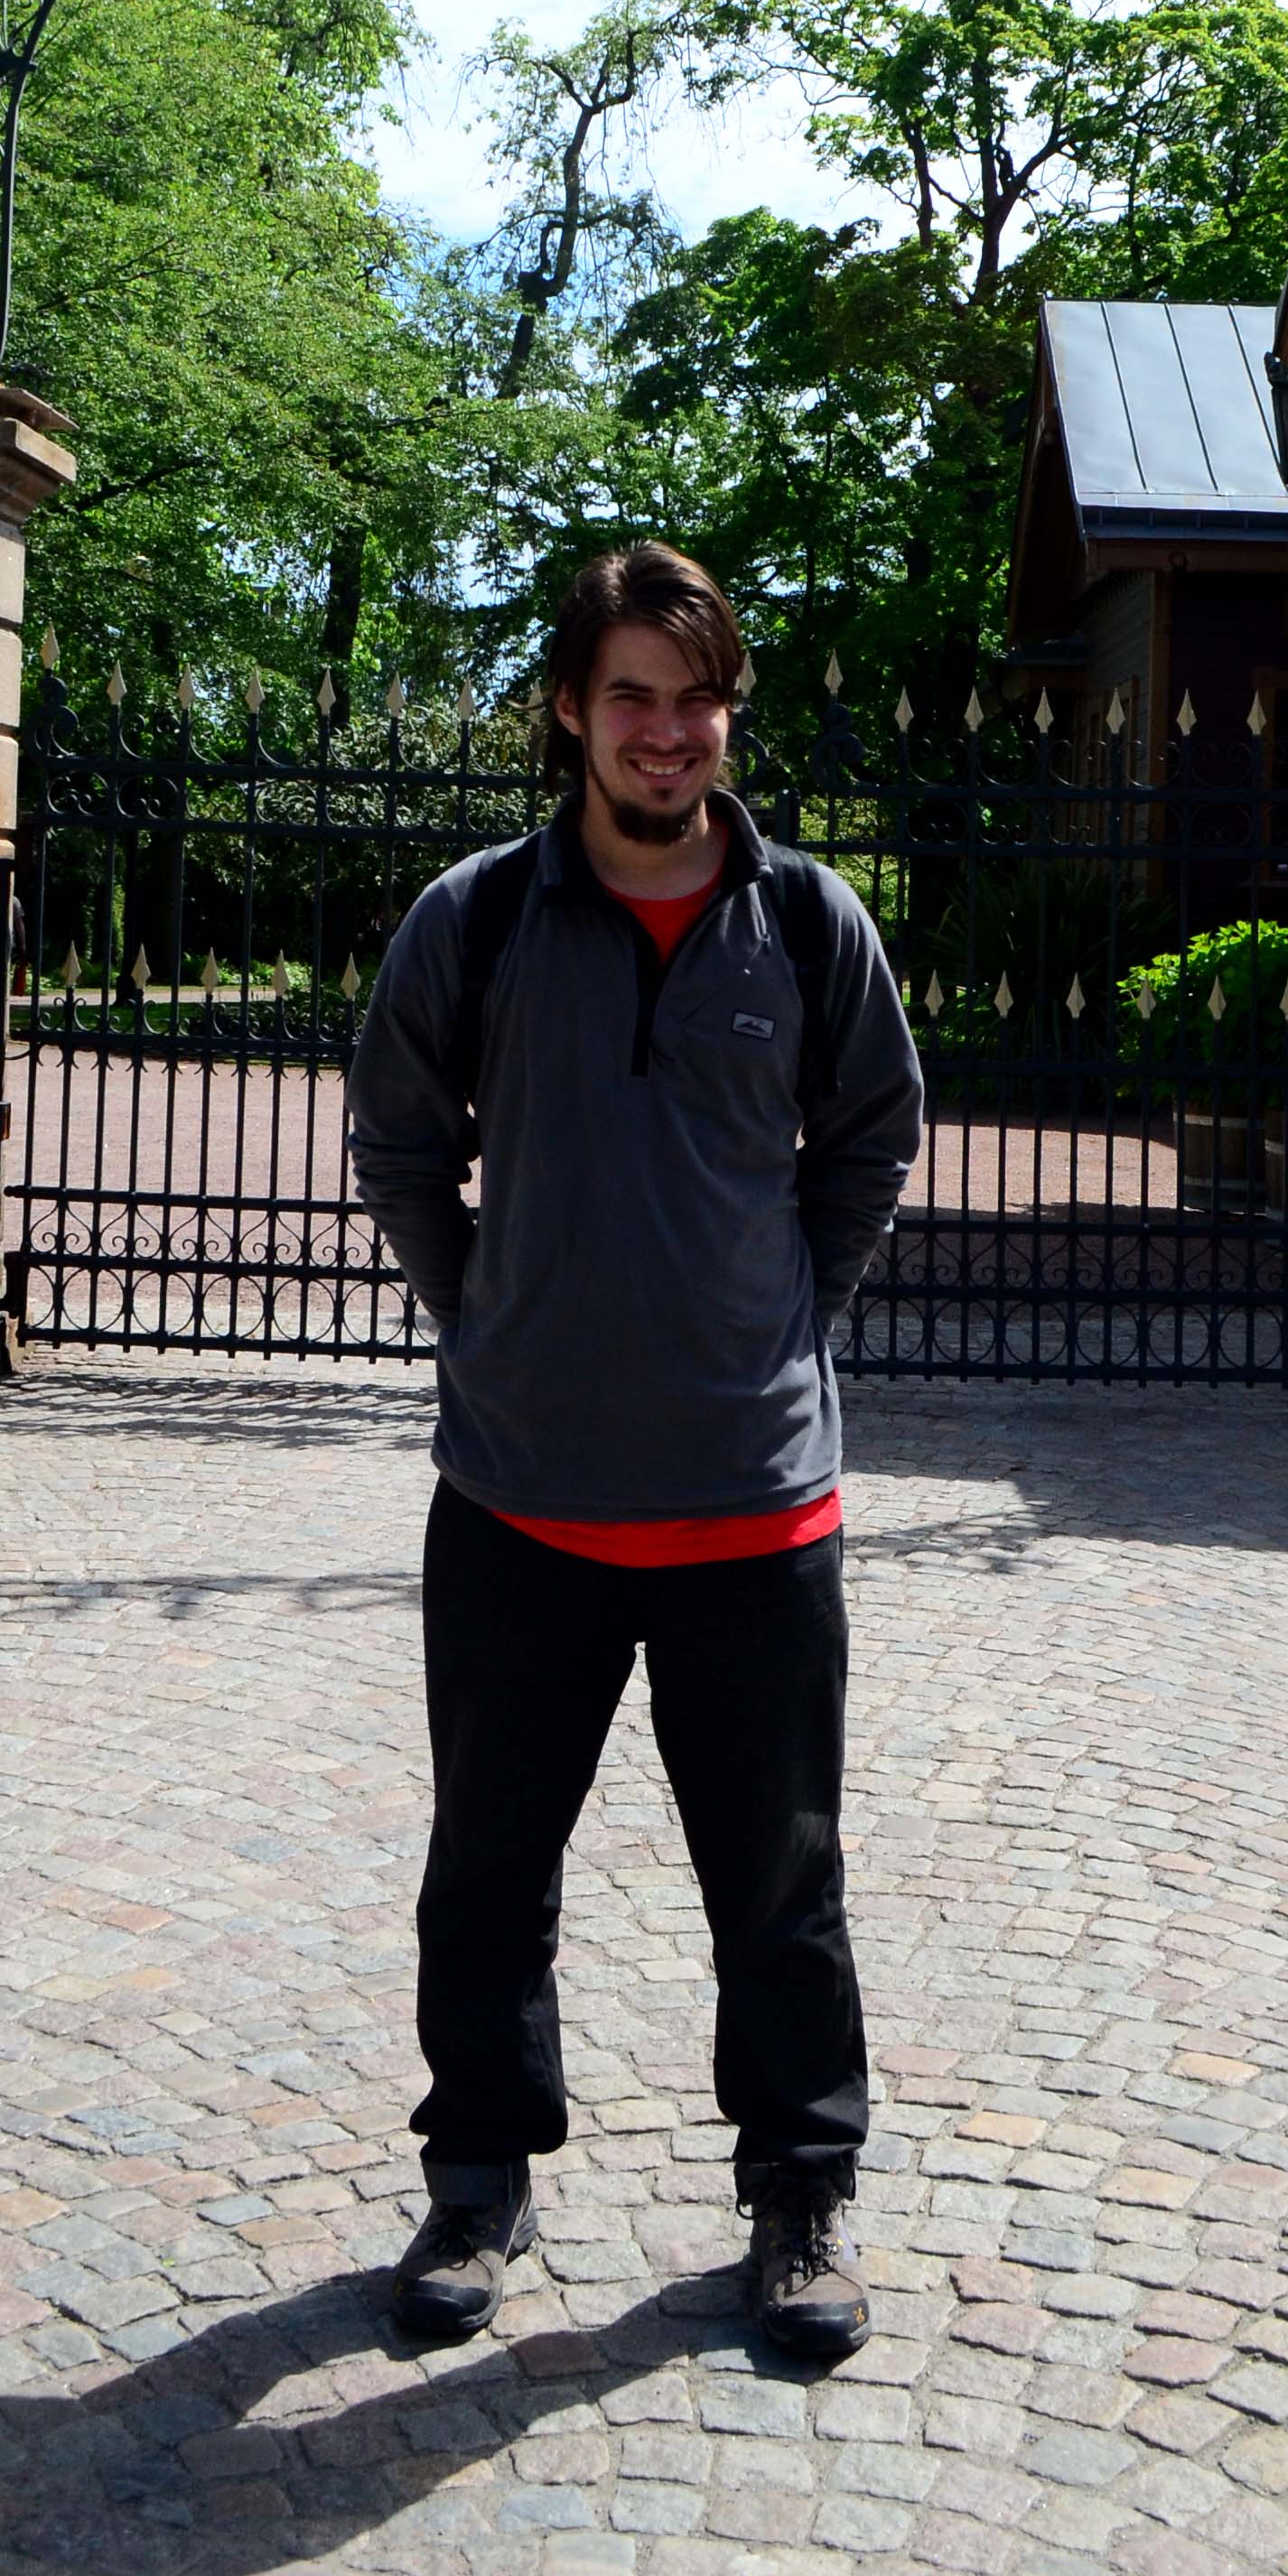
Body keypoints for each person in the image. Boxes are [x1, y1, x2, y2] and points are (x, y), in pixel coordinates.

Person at [346, 544, 925, 2357]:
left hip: (756, 1507)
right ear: (568, 711)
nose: (665, 733)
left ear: (725, 712)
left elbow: (871, 1138)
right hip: (520, 1501)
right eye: (630, 697)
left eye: (694, 698)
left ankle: (799, 2192)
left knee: (781, 1883)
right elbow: (395, 1137)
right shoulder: (477, 919)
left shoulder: (808, 923)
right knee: (487, 1867)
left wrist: (779, 1317)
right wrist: (490, 1313)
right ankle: (477, 2176)